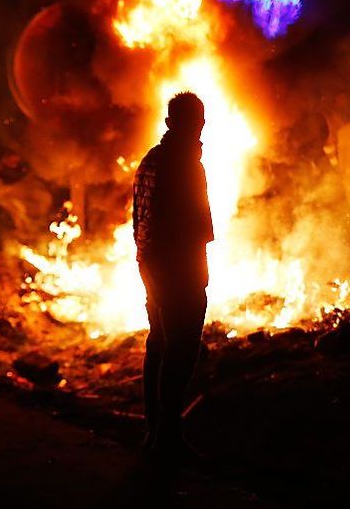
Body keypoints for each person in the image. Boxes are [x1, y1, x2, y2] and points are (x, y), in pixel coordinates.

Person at [133, 92, 213, 459]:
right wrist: (196, 272)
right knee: (180, 349)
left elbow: (138, 219)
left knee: (159, 343)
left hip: (152, 264)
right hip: (177, 267)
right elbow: (195, 225)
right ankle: (167, 434)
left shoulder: (149, 160)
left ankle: (155, 432)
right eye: (196, 122)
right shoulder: (184, 164)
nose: (200, 129)